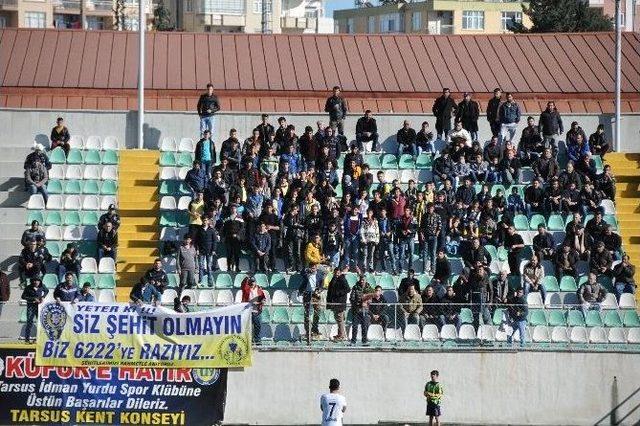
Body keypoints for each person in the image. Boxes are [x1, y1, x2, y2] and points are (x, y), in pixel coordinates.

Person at [299, 264, 323, 342]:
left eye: (314, 268)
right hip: (307, 294)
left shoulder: (319, 274)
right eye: (311, 268)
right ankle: (307, 331)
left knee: (317, 312)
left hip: (315, 295)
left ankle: (315, 330)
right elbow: (302, 272)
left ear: (316, 268)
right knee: (307, 314)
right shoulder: (306, 273)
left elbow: (321, 284)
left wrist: (319, 290)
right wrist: (307, 270)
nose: (312, 269)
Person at [21, 277, 48, 344]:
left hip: (39, 306)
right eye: (35, 281)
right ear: (32, 281)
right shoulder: (28, 287)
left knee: (40, 322)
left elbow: (47, 290)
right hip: (31, 306)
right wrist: (33, 299)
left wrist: (43, 297)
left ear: (40, 282)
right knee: (29, 322)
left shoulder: (42, 286)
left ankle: (38, 338)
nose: (36, 282)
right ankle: (27, 340)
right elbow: (23, 296)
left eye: (38, 281)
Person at [349, 274, 375, 345]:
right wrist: (360, 302)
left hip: (365, 310)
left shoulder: (369, 287)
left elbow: (372, 298)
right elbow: (352, 298)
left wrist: (368, 301)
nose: (362, 281)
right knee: (355, 326)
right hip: (356, 310)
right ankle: (353, 340)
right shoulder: (355, 287)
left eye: (363, 280)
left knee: (364, 325)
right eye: (361, 279)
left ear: (366, 280)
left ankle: (364, 341)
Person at [241, 275, 266, 345]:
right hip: (248, 311)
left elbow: (263, 298)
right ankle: (249, 341)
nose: (252, 284)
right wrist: (246, 278)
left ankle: (257, 340)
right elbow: (243, 284)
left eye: (253, 282)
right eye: (251, 282)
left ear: (255, 282)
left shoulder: (259, 289)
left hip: (257, 311)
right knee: (248, 327)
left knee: (258, 326)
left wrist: (262, 301)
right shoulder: (246, 288)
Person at [326, 268, 350, 341]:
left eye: (338, 273)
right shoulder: (333, 279)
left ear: (340, 273)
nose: (336, 274)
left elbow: (348, 289)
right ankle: (340, 334)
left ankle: (342, 335)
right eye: (335, 273)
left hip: (340, 302)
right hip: (334, 303)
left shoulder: (342, 279)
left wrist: (338, 293)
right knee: (338, 318)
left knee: (340, 318)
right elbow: (330, 291)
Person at [222, 204, 244, 272]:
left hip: (237, 239)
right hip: (228, 238)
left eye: (234, 208)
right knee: (229, 254)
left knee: (236, 253)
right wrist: (223, 237)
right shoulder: (227, 218)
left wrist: (237, 235)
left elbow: (242, 228)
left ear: (236, 209)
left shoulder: (240, 217)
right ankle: (229, 267)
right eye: (232, 208)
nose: (233, 209)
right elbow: (224, 229)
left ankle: (237, 267)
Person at [197, 216, 218, 287]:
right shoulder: (199, 229)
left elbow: (215, 241)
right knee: (201, 266)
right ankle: (200, 281)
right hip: (201, 251)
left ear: (208, 221)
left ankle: (210, 281)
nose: (205, 222)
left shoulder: (211, 230)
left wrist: (214, 250)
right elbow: (197, 241)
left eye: (206, 220)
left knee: (209, 266)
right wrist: (197, 249)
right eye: (204, 220)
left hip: (209, 251)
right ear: (202, 221)